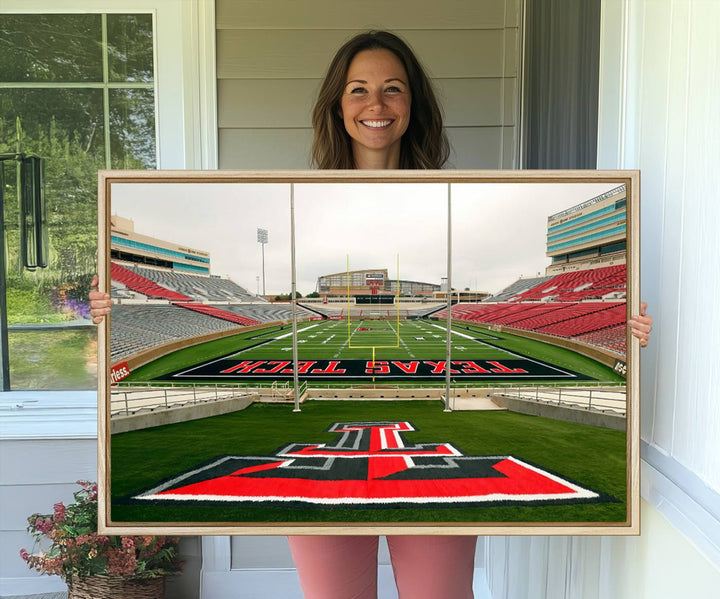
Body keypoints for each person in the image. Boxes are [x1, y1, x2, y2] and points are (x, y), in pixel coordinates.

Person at [89, 30, 652, 598]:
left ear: (413, 105)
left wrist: (625, 325)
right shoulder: (296, 195)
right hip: (326, 471)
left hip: (424, 471)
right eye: (358, 89)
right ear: (338, 104)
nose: (375, 105)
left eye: (393, 89)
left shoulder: (454, 194)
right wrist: (110, 309)